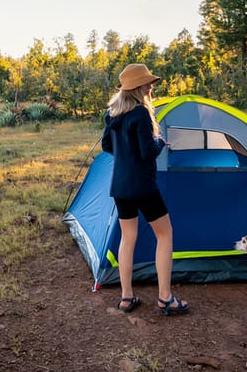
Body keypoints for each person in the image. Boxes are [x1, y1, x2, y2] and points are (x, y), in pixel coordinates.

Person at [101, 63, 189, 316]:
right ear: (138, 87)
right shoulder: (139, 113)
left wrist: (125, 153)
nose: (151, 85)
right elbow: (146, 151)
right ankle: (165, 298)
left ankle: (126, 297)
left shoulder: (112, 114)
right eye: (148, 82)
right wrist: (160, 142)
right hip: (143, 186)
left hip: (120, 186)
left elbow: (107, 145)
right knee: (165, 235)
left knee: (128, 239)